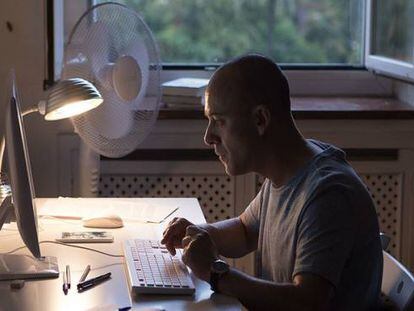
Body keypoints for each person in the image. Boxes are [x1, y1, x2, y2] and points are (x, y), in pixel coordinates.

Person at [161, 54, 382, 310]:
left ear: (260, 120)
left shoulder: (328, 194)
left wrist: (215, 273)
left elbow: (307, 301)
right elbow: (245, 231)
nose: (208, 137)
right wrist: (197, 234)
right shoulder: (288, 169)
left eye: (219, 122)